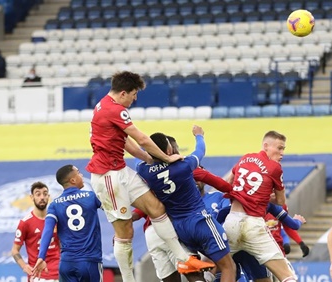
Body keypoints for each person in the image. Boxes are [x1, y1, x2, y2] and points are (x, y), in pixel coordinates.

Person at [86, 71, 212, 281]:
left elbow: (126, 142)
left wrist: (148, 159)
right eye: (134, 94)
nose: (135, 99)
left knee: (157, 208)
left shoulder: (103, 106)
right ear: (124, 93)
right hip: (107, 176)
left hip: (120, 170)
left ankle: (183, 258)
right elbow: (142, 138)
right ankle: (128, 279)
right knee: (125, 232)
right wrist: (165, 157)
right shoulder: (116, 110)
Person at [137, 128, 237, 282]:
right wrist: (199, 135)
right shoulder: (184, 166)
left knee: (195, 272)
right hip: (199, 220)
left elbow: (139, 156)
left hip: (178, 229)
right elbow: (200, 150)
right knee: (228, 266)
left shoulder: (143, 170)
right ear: (170, 149)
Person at [223, 130, 297, 282]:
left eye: (283, 149)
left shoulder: (245, 158)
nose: (282, 153)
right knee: (287, 275)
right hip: (253, 225)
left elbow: (228, 184)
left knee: (214, 269)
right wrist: (264, 198)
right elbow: (281, 201)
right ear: (266, 146)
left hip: (231, 222)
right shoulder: (275, 168)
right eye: (279, 148)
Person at [32, 165, 103, 281]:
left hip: (66, 264)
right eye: (79, 173)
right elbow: (113, 211)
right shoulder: (91, 197)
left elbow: (48, 230)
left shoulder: (55, 204)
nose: (82, 175)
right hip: (89, 261)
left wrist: (41, 256)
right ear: (73, 180)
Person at [11, 182, 60, 282]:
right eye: (38, 194)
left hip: (59, 274)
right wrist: (24, 266)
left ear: (48, 196)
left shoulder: (56, 219)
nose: (42, 197)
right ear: (32, 197)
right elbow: (15, 250)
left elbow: (62, 244)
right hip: (38, 276)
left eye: (45, 194)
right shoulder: (25, 223)